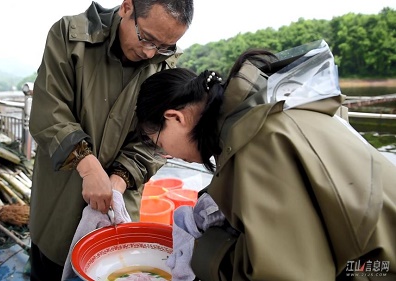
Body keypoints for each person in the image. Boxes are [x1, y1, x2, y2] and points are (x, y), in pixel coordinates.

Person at [135, 41, 396, 280]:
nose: (167, 155)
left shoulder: (258, 143)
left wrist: (199, 251)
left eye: (160, 144)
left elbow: (285, 273)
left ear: (175, 118)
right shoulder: (261, 111)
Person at [28, 0, 193, 279]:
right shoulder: (70, 36)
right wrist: (89, 166)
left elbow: (153, 141)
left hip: (120, 202)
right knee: (51, 266)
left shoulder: (163, 64)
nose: (150, 52)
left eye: (165, 46)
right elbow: (50, 111)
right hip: (61, 196)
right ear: (127, 7)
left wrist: (117, 181)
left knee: (114, 267)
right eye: (147, 38)